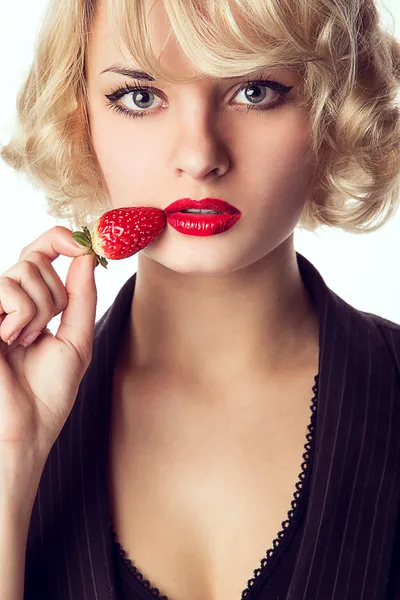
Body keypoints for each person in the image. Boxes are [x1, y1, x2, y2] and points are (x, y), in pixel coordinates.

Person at [0, 0, 400, 598]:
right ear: (79, 117)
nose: (199, 156)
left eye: (257, 90)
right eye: (141, 97)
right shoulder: (16, 411)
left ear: (332, 108)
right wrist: (11, 463)